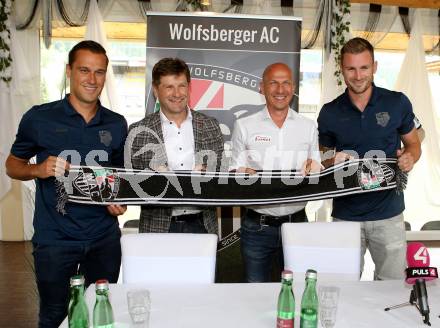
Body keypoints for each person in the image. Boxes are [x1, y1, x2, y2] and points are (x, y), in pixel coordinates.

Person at [5, 40, 127, 328]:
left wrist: (118, 201)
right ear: (69, 71)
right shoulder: (39, 117)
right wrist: (38, 169)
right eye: (84, 70)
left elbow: (119, 176)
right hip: (54, 239)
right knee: (54, 313)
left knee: (100, 311)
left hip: (103, 238)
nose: (92, 79)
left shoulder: (116, 123)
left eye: (99, 72)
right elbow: (12, 165)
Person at [317, 37, 421, 280]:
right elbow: (321, 157)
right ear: (342, 69)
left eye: (364, 67)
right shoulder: (330, 112)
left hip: (389, 214)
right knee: (343, 286)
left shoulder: (397, 103)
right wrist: (333, 159)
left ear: (374, 67)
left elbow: (414, 144)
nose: (358, 75)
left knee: (392, 287)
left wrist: (409, 157)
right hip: (345, 215)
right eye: (351, 68)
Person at [230, 63, 321, 282]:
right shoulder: (244, 125)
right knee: (255, 292)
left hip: (297, 224)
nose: (280, 90)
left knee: (298, 289)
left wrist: (315, 166)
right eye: (273, 83)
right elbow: (233, 171)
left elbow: (317, 169)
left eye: (286, 83)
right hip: (256, 227)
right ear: (262, 87)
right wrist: (241, 174)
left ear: (293, 87)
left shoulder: (308, 126)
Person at [127, 58, 224, 234]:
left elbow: (220, 174)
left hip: (201, 225)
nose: (177, 93)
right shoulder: (138, 131)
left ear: (189, 87)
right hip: (157, 228)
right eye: (169, 87)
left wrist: (210, 174)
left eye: (182, 86)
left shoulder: (210, 126)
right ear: (156, 90)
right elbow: (131, 183)